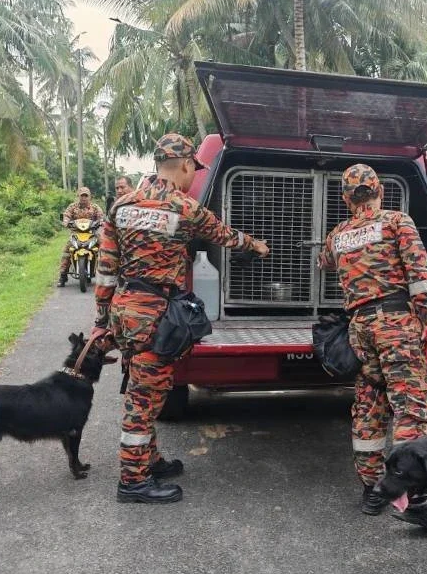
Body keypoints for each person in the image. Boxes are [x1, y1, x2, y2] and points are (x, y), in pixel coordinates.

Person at [93, 133, 269, 504]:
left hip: (126, 310)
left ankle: (150, 461)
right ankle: (133, 481)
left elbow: (106, 270)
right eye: (194, 169)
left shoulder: (120, 206)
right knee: (143, 402)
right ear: (187, 165)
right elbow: (226, 236)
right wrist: (256, 245)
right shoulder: (184, 207)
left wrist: (102, 319)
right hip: (155, 315)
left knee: (144, 389)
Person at [318, 163, 427, 533]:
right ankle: (414, 500)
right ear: (380, 191)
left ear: (346, 199)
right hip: (396, 325)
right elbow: (421, 278)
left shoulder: (338, 234)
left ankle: (373, 491)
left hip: (360, 329)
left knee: (369, 405)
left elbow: (325, 263)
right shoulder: (396, 221)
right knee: (411, 409)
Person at [58, 186, 104, 287]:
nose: (83, 198)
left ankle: (108, 274)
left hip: (92, 233)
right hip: (76, 234)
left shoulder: (95, 207)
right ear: (78, 196)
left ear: (89, 197)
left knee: (105, 249)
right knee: (67, 252)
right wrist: (66, 221)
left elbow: (101, 216)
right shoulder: (72, 207)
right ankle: (62, 276)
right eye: (82, 196)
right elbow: (66, 215)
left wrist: (101, 221)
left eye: (86, 196)